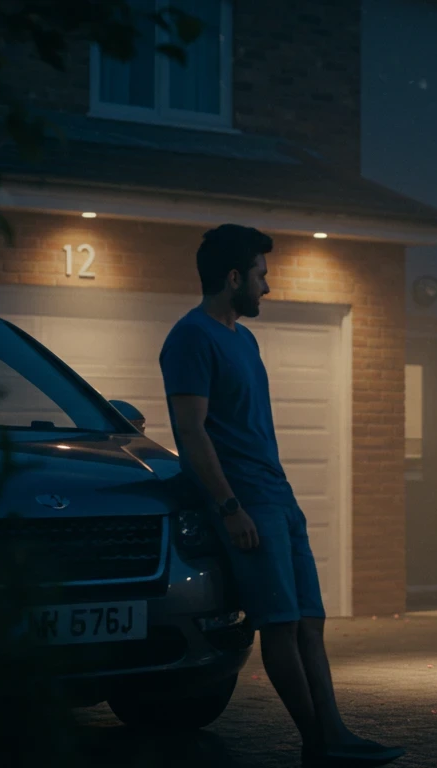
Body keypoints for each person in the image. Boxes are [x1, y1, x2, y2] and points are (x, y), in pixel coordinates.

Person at [159, 224, 404, 766]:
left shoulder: (243, 340)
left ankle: (336, 735)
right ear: (232, 278)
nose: (266, 287)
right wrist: (229, 507)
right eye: (260, 276)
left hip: (279, 497)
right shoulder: (189, 339)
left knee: (310, 621)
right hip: (246, 503)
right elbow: (191, 432)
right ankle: (316, 743)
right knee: (280, 624)